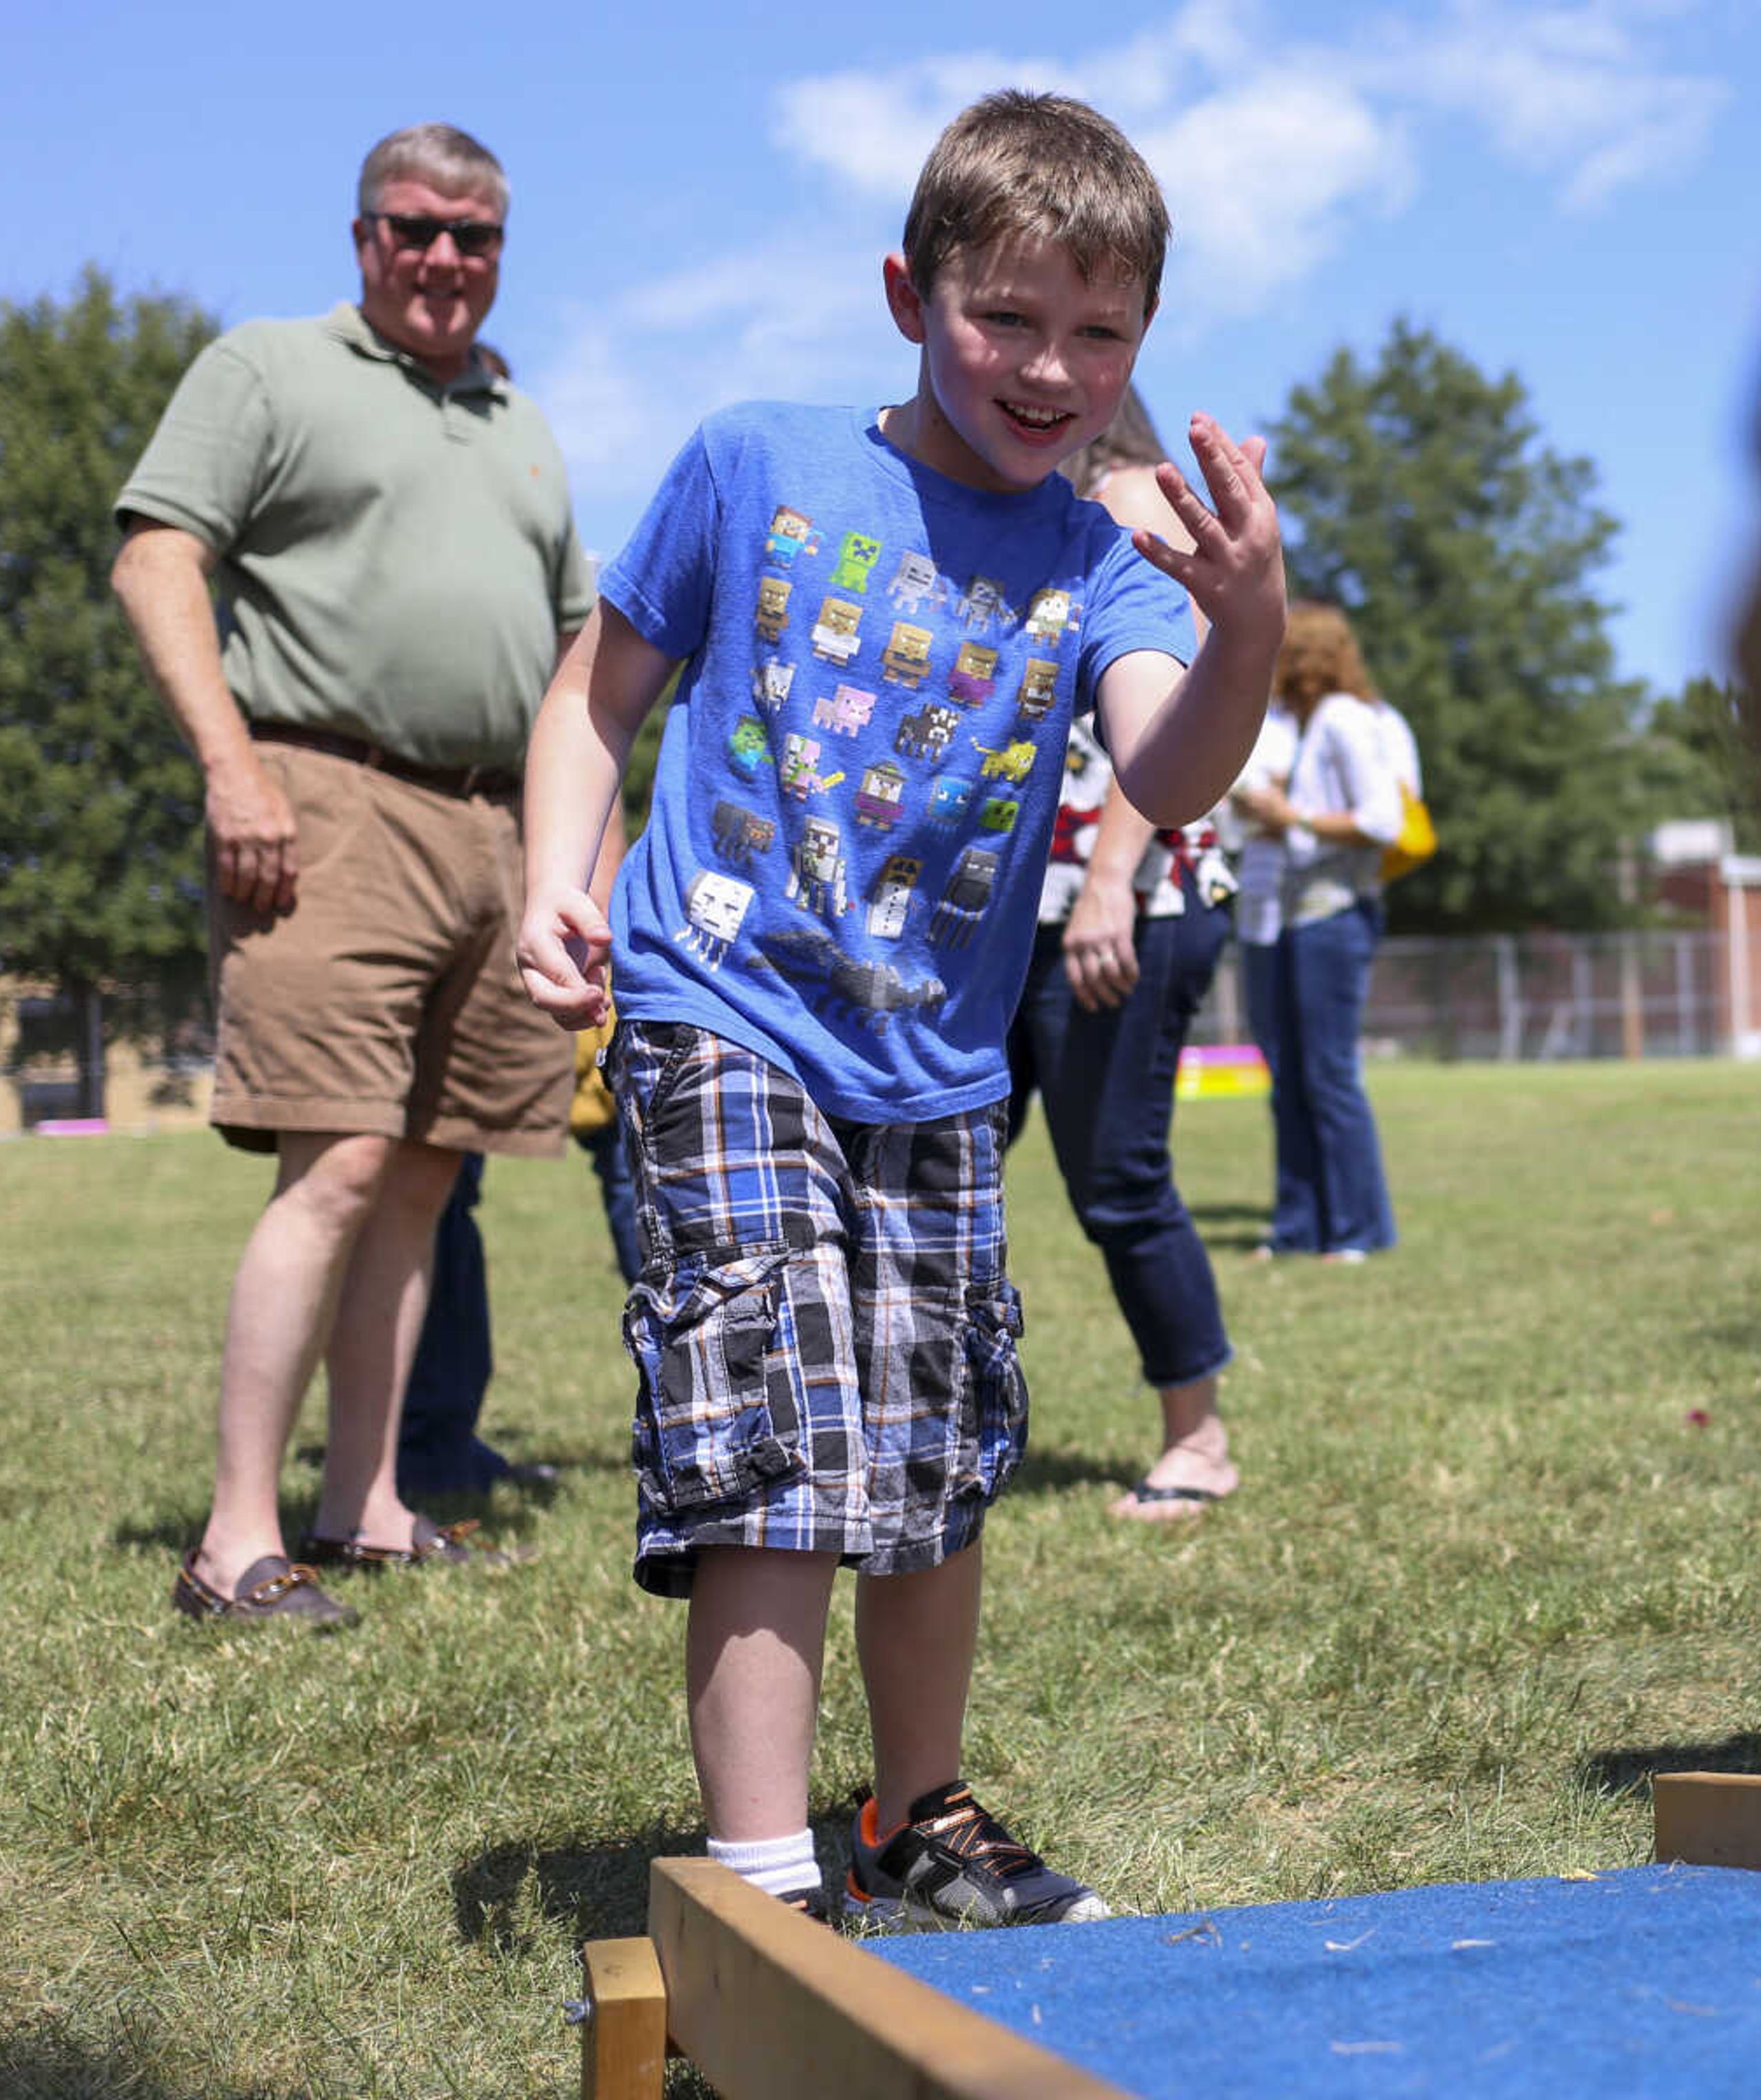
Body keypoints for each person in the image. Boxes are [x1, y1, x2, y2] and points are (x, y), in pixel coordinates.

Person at [512, 91, 1285, 1928]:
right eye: (1005, 317)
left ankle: (914, 1810)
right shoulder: (752, 459)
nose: (1050, 369)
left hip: (936, 1059)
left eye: (1101, 335)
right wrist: (556, 867)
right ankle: (769, 1881)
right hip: (723, 1004)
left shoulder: (1103, 554)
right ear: (906, 293)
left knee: (938, 1442)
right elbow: (593, 695)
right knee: (776, 1413)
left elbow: (1170, 772)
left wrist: (1247, 620)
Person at [112, 122, 596, 1627]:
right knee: (329, 1164)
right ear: (362, 233)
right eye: (415, 227)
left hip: (500, 831)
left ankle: (368, 1501)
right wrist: (232, 766)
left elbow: (583, 650)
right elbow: (156, 556)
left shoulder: (521, 414)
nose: (444, 257)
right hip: (326, 797)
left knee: (423, 1173)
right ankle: (234, 1538)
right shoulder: (269, 367)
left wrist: (578, 867)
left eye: (474, 235)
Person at [1003, 389, 1241, 1520]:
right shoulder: (1042, 515)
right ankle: (937, 1412)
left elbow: (1172, 708)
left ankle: (1199, 1440)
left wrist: (1109, 888)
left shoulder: (1136, 496)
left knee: (1117, 1176)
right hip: (1020, 904)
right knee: (939, 1161)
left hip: (1124, 898)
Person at [1230, 604, 1407, 1260]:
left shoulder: (1345, 720)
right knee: (1289, 1079)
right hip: (1279, 919)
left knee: (1329, 1077)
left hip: (1332, 915)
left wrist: (1293, 816)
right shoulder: (1291, 727)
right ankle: (1298, 1228)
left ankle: (1359, 1231)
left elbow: (1382, 819)